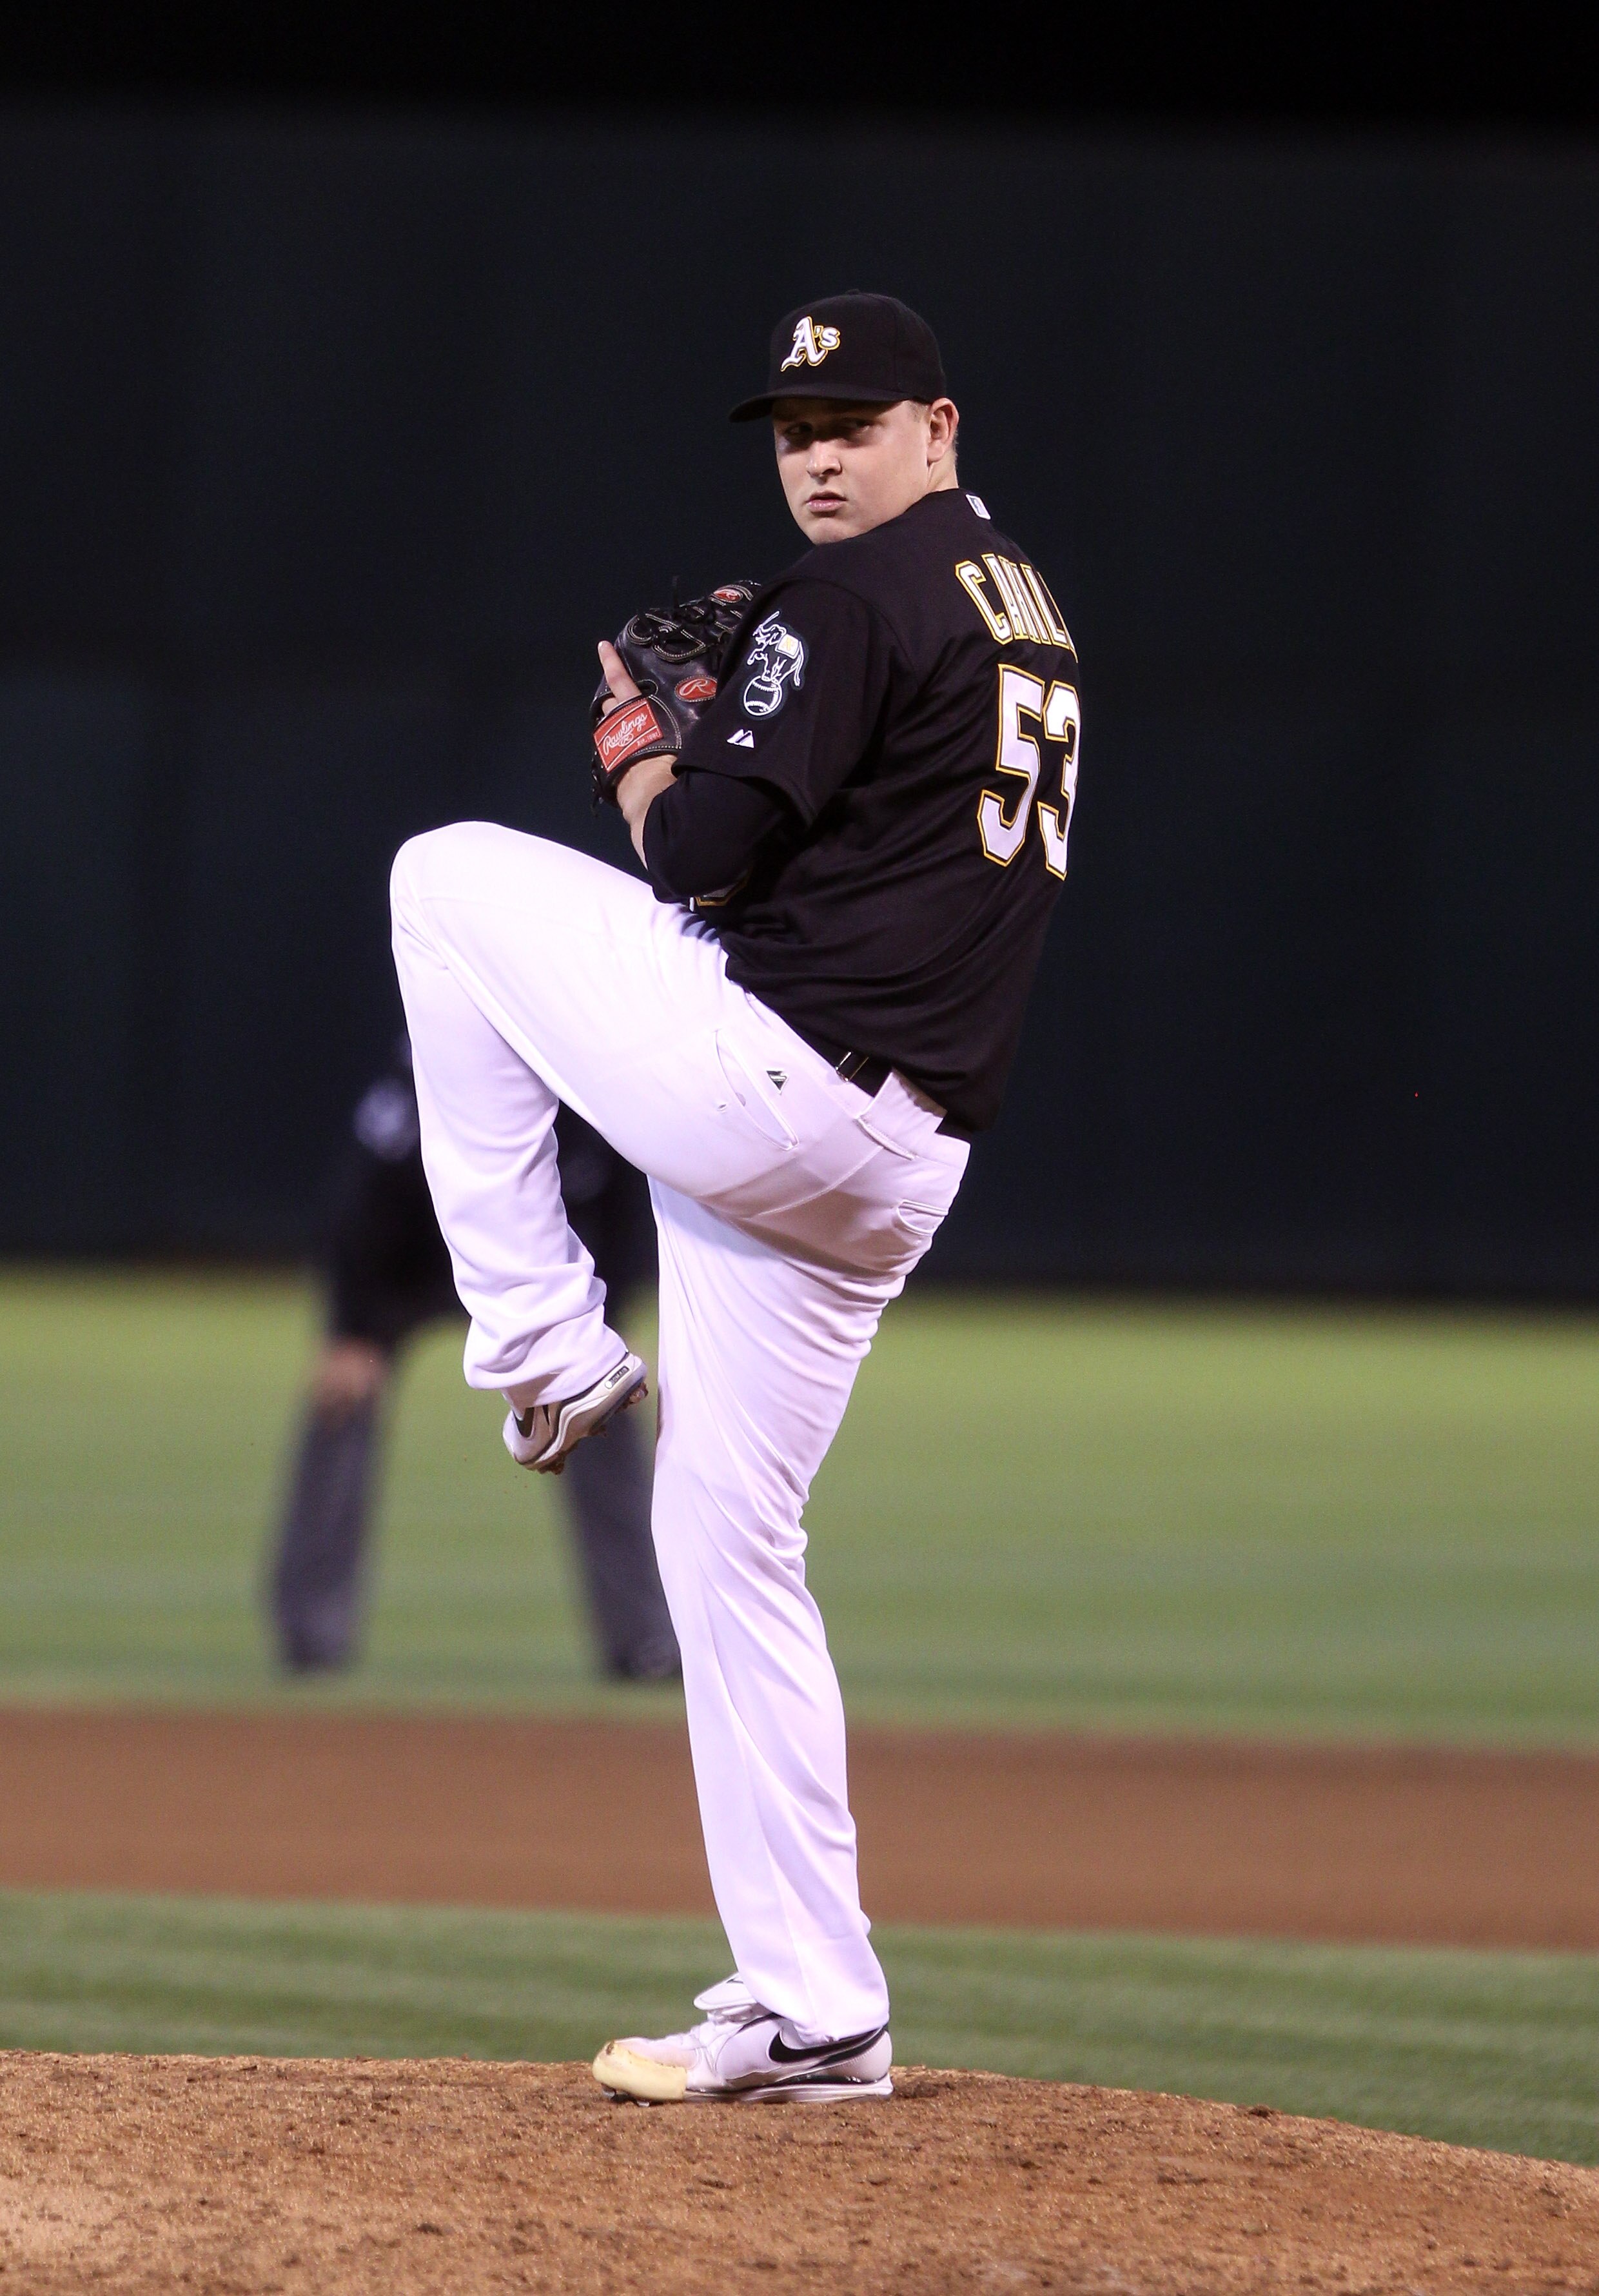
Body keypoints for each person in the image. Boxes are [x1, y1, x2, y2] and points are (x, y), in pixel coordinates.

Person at [389, 290, 1080, 2103]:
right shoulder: (1023, 605)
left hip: (779, 1092)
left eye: (854, 421)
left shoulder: (856, 598)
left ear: (940, 424)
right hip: (898, 1163)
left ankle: (539, 1341)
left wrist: (641, 754)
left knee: (446, 874)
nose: (820, 454)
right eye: (793, 429)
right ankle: (817, 2003)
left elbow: (697, 851)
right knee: (725, 1543)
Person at [268, 1039, 679, 1682]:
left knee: (603, 1402)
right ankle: (309, 1633)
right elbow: (362, 1197)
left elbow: (630, 1211)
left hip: (538, 1274)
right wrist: (349, 1329)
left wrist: (611, 1327)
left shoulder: (598, 1076)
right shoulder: (443, 1059)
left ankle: (643, 1640)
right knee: (341, 1393)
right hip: (410, 1265)